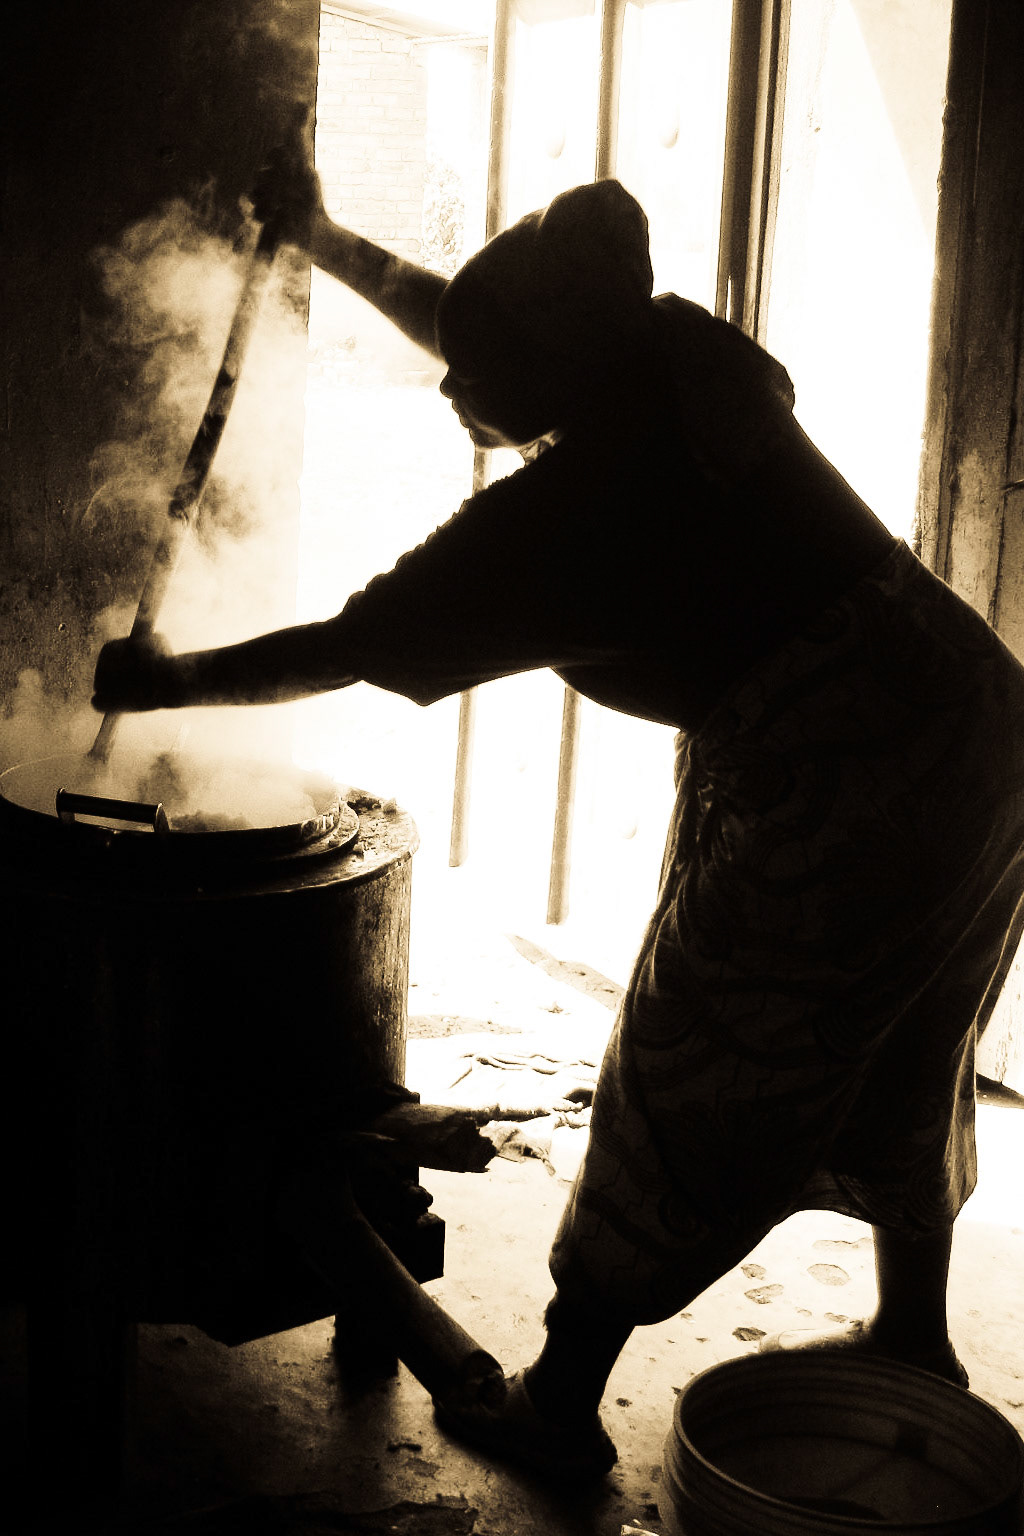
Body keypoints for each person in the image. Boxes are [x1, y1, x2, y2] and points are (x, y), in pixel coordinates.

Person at [93, 147, 1024, 1483]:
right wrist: (324, 237)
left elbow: (362, 640)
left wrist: (166, 684)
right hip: (973, 719)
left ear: (547, 379)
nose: (451, 389)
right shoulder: (661, 357)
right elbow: (475, 334)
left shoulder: (572, 517)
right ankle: (916, 1337)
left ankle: (560, 1398)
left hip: (852, 783)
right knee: (906, 1034)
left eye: (476, 379)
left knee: (692, 1062)